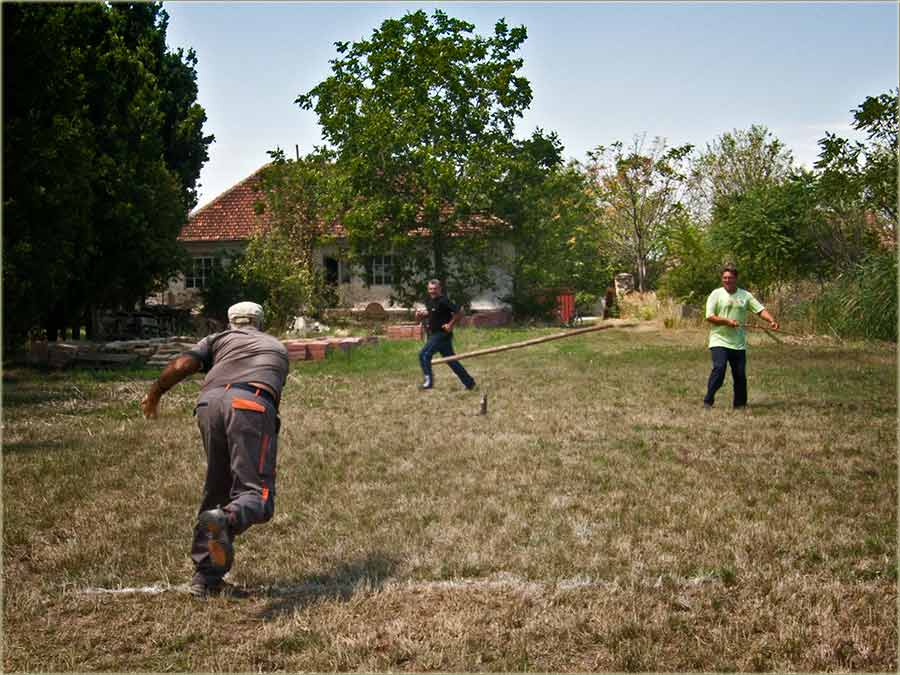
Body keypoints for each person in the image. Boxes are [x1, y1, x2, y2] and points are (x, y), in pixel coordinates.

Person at [140, 301, 289, 597]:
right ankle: (226, 520)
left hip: (208, 404)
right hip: (250, 402)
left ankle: (206, 578)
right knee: (255, 495)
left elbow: (183, 365)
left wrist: (155, 393)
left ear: (231, 322)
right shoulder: (276, 346)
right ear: (260, 322)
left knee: (217, 489)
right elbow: (270, 402)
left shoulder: (217, 340)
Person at [704, 265, 778, 408]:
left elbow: (759, 310)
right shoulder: (716, 294)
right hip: (719, 340)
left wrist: (771, 320)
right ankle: (708, 399)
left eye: (730, 278)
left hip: (738, 342)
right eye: (724, 278)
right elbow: (709, 316)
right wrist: (727, 321)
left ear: (736, 279)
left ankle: (740, 405)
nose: (727, 280)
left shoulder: (745, 295)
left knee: (740, 376)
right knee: (719, 370)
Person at [415, 279, 476, 391]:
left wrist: (450, 324)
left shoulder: (444, 300)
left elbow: (459, 312)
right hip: (434, 334)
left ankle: (428, 382)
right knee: (451, 360)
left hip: (441, 335)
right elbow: (433, 313)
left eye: (435, 289)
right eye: (430, 289)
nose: (432, 291)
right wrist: (421, 315)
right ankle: (469, 383)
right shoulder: (429, 300)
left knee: (424, 355)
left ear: (440, 289)